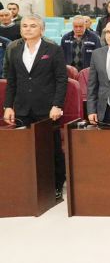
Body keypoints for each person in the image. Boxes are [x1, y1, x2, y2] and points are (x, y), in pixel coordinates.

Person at [3, 16, 68, 198]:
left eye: (33, 26)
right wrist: (8, 106)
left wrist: (57, 105)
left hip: (47, 109)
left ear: (42, 30)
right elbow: (12, 81)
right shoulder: (15, 50)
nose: (28, 29)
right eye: (24, 26)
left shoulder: (53, 50)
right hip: (22, 108)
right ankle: (30, 185)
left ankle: (56, 185)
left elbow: (61, 80)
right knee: (25, 149)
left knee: (51, 148)